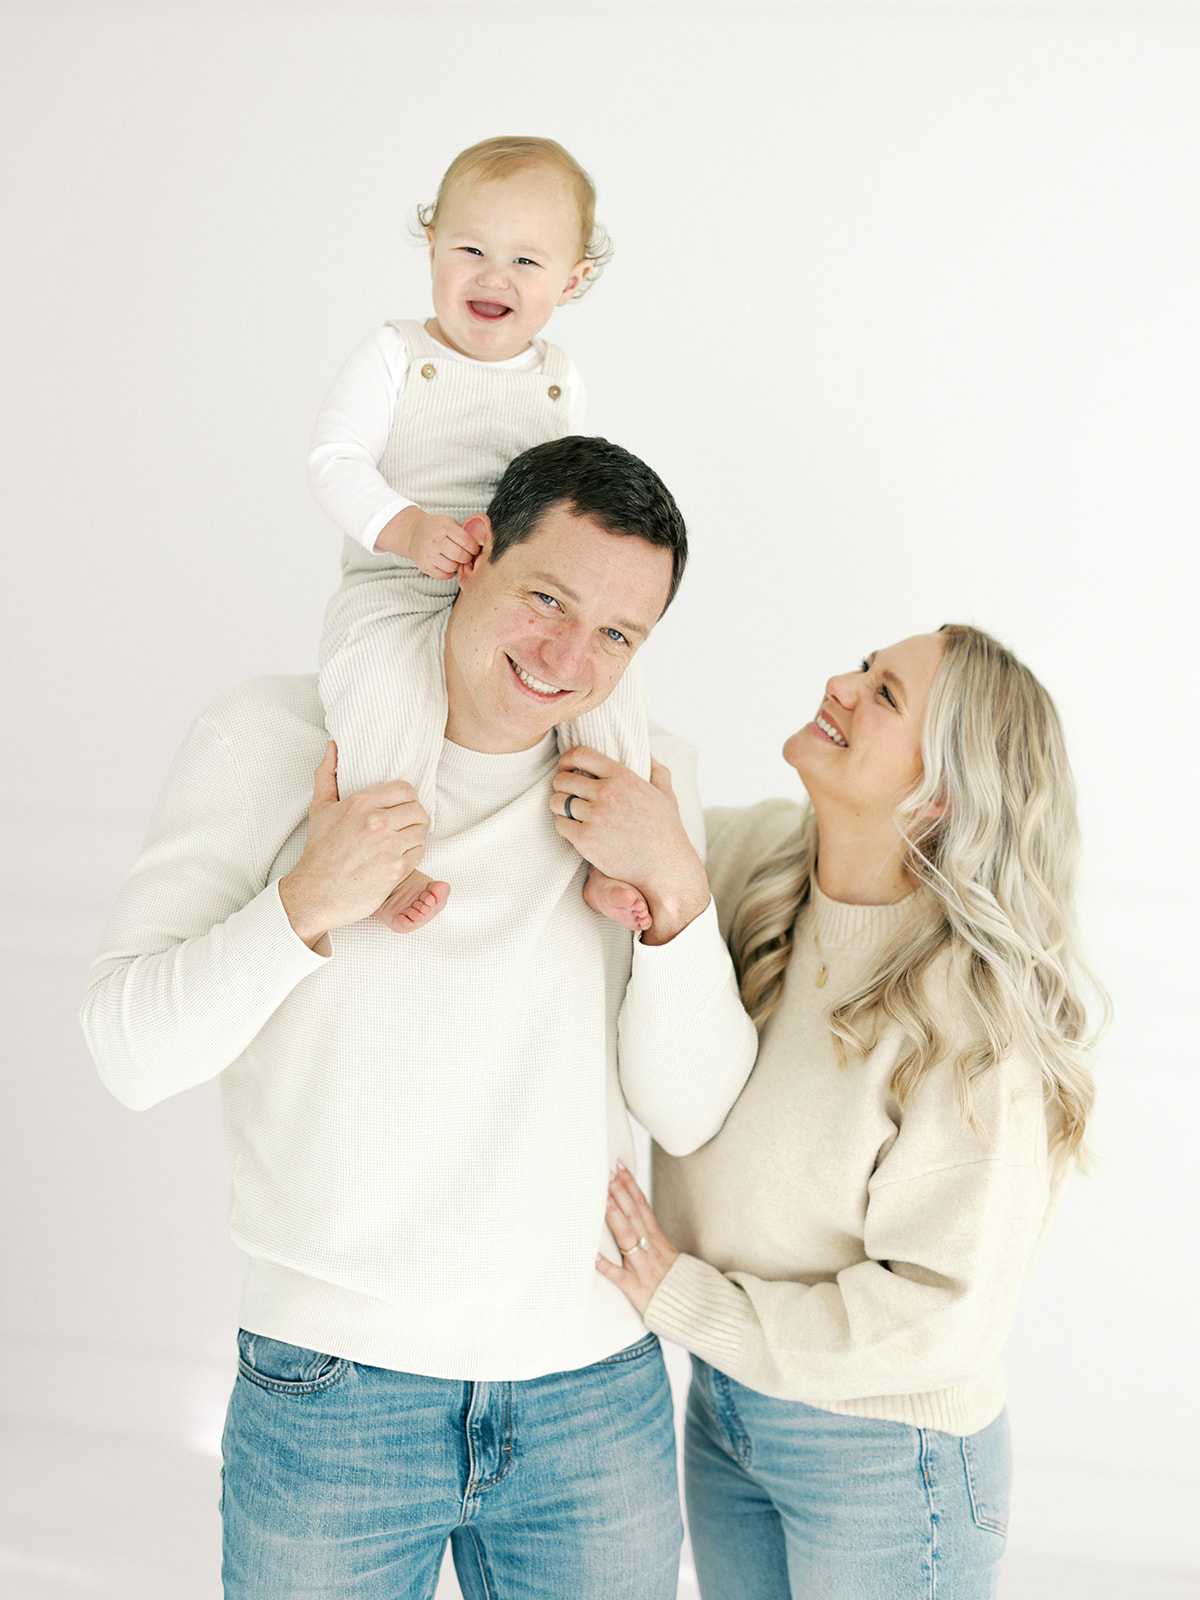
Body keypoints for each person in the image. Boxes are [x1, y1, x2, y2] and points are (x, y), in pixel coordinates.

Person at [81, 435, 758, 1600]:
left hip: (590, 1396)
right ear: (473, 553)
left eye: (616, 634)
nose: (564, 656)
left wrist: (676, 894)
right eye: (547, 598)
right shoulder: (275, 743)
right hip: (335, 1393)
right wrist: (307, 903)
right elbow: (126, 1052)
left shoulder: (645, 781)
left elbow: (689, 1113)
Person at [588, 625, 1104, 1599]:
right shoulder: (754, 862)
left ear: (942, 791)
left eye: (885, 696)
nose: (839, 684)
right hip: (730, 1407)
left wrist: (691, 1302)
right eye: (865, 668)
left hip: (884, 1455)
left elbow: (937, 1320)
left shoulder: (977, 1027)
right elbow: (641, 789)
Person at [312, 134, 651, 934]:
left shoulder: (559, 375)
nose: (494, 276)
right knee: (386, 691)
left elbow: (573, 500)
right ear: (432, 246)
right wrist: (405, 528)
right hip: (400, 585)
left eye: (527, 263)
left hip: (516, 596)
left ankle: (614, 861)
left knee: (611, 693)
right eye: (471, 248)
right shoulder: (398, 355)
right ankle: (383, 861)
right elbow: (334, 460)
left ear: (572, 281)